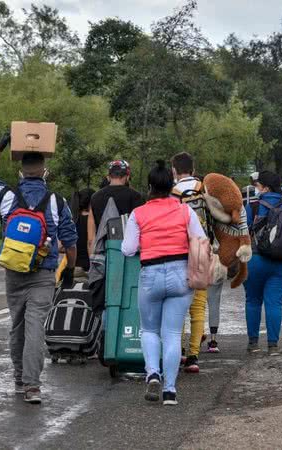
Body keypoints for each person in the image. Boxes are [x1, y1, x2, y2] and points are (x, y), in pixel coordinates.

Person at [0, 133, 78, 404]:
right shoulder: (57, 202)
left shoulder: (7, 197)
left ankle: (18, 377)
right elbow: (71, 244)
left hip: (14, 271)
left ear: (20, 172)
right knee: (35, 327)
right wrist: (69, 271)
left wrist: (0, 147)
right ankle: (32, 387)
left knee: (18, 324)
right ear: (44, 172)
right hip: (43, 273)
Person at [121, 160, 205, 406]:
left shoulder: (139, 213)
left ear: (149, 187)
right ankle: (170, 391)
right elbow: (200, 240)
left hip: (151, 274)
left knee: (149, 330)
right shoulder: (184, 211)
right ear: (172, 185)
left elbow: (127, 249)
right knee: (171, 333)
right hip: (181, 275)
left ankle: (152, 374)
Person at [170, 152, 221, 373]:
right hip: (202, 249)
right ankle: (193, 357)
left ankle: (179, 351)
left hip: (179, 251)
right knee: (198, 306)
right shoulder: (205, 189)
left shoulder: (172, 192)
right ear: (193, 167)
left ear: (174, 169)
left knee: (179, 305)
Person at [243, 171, 282, 355]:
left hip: (256, 259)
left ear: (265, 187)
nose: (256, 188)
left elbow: (243, 232)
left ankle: (253, 343)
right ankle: (273, 345)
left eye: (258, 185)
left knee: (253, 300)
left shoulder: (253, 206)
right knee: (274, 302)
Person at [87, 160, 144, 253]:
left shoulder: (95, 197)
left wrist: (93, 260)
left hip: (103, 255)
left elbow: (90, 239)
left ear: (108, 177)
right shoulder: (136, 197)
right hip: (129, 256)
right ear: (127, 176)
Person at [71, 188, 95, 275]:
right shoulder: (93, 220)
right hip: (89, 264)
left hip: (74, 264)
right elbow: (90, 241)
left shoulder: (73, 220)